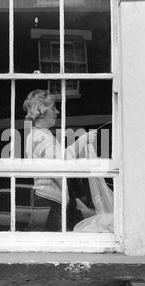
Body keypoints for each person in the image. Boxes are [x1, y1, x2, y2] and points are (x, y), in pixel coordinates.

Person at [23, 89, 96, 231]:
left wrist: (71, 198)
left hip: (49, 200)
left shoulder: (41, 134)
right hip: (49, 202)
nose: (57, 112)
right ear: (41, 110)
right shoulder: (40, 137)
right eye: (53, 108)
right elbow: (61, 163)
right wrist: (82, 140)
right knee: (51, 246)